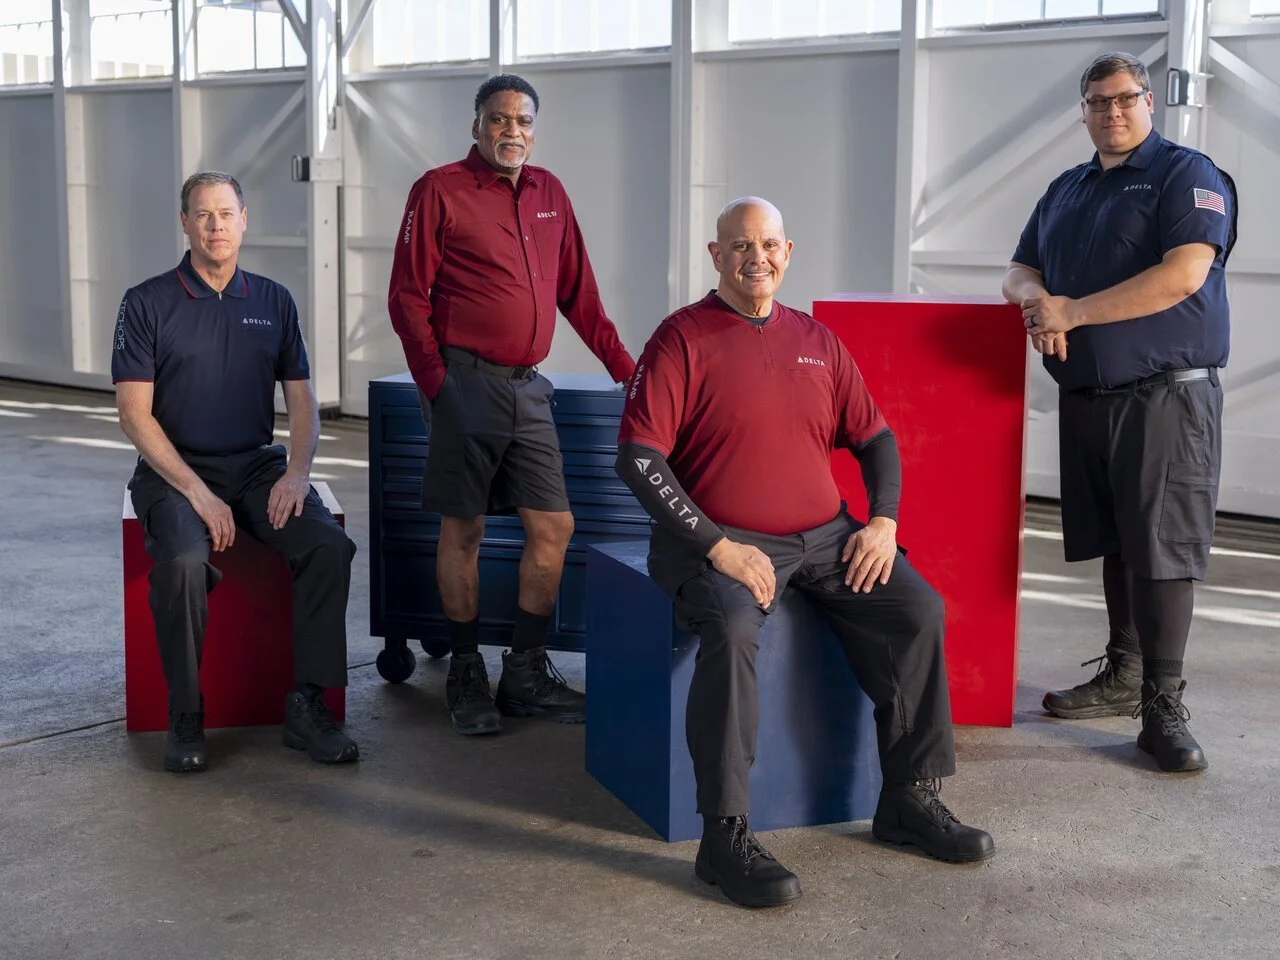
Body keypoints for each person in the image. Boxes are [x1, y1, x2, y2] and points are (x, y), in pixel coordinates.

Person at [615, 196, 994, 910]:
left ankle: (908, 799)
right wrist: (717, 547)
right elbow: (639, 458)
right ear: (715, 255)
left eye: (769, 244)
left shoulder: (818, 340)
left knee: (916, 609)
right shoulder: (682, 338)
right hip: (717, 538)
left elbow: (875, 438)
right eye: (739, 246)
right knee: (729, 629)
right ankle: (723, 837)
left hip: (824, 536)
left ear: (788, 252)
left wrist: (880, 522)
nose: (755, 257)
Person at [1003, 52, 1237, 774]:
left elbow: (1183, 274)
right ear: (1083, 111)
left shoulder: (1185, 174)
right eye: (1098, 102)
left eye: (1125, 98)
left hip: (1167, 394)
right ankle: (1125, 673)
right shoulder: (1067, 188)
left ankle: (1163, 707)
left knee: (1162, 547)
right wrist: (1036, 303)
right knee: (1118, 541)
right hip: (1091, 398)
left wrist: (1073, 309)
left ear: (1148, 102)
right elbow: (1019, 267)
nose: (1112, 111)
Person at [387, 74, 636, 736]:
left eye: (524, 120)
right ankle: (467, 671)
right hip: (464, 383)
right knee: (463, 529)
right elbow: (407, 297)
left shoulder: (550, 193)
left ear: (535, 128)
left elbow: (579, 293)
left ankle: (524, 672)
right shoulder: (439, 190)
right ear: (477, 126)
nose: (512, 131)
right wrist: (438, 386)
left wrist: (626, 372)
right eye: (499, 119)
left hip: (530, 388)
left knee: (553, 528)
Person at [113, 171, 359, 773]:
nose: (216, 225)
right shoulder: (146, 302)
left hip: (254, 465)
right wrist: (197, 493)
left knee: (329, 546)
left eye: (227, 213)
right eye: (203, 214)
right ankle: (187, 713)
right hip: (175, 471)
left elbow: (300, 397)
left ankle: (307, 705)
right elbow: (133, 415)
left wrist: (298, 472)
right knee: (183, 563)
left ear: (245, 220)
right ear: (185, 223)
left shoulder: (273, 300)